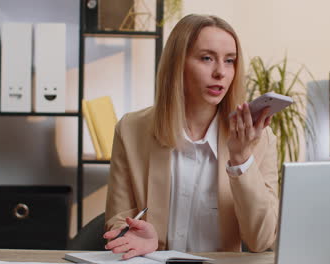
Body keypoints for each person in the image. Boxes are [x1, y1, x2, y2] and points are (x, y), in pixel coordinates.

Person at [103, 14, 279, 259]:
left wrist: (241, 159)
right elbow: (118, 220)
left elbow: (261, 240)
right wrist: (133, 235)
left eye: (229, 61)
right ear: (178, 63)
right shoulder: (131, 130)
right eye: (207, 58)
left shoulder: (260, 139)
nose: (220, 72)